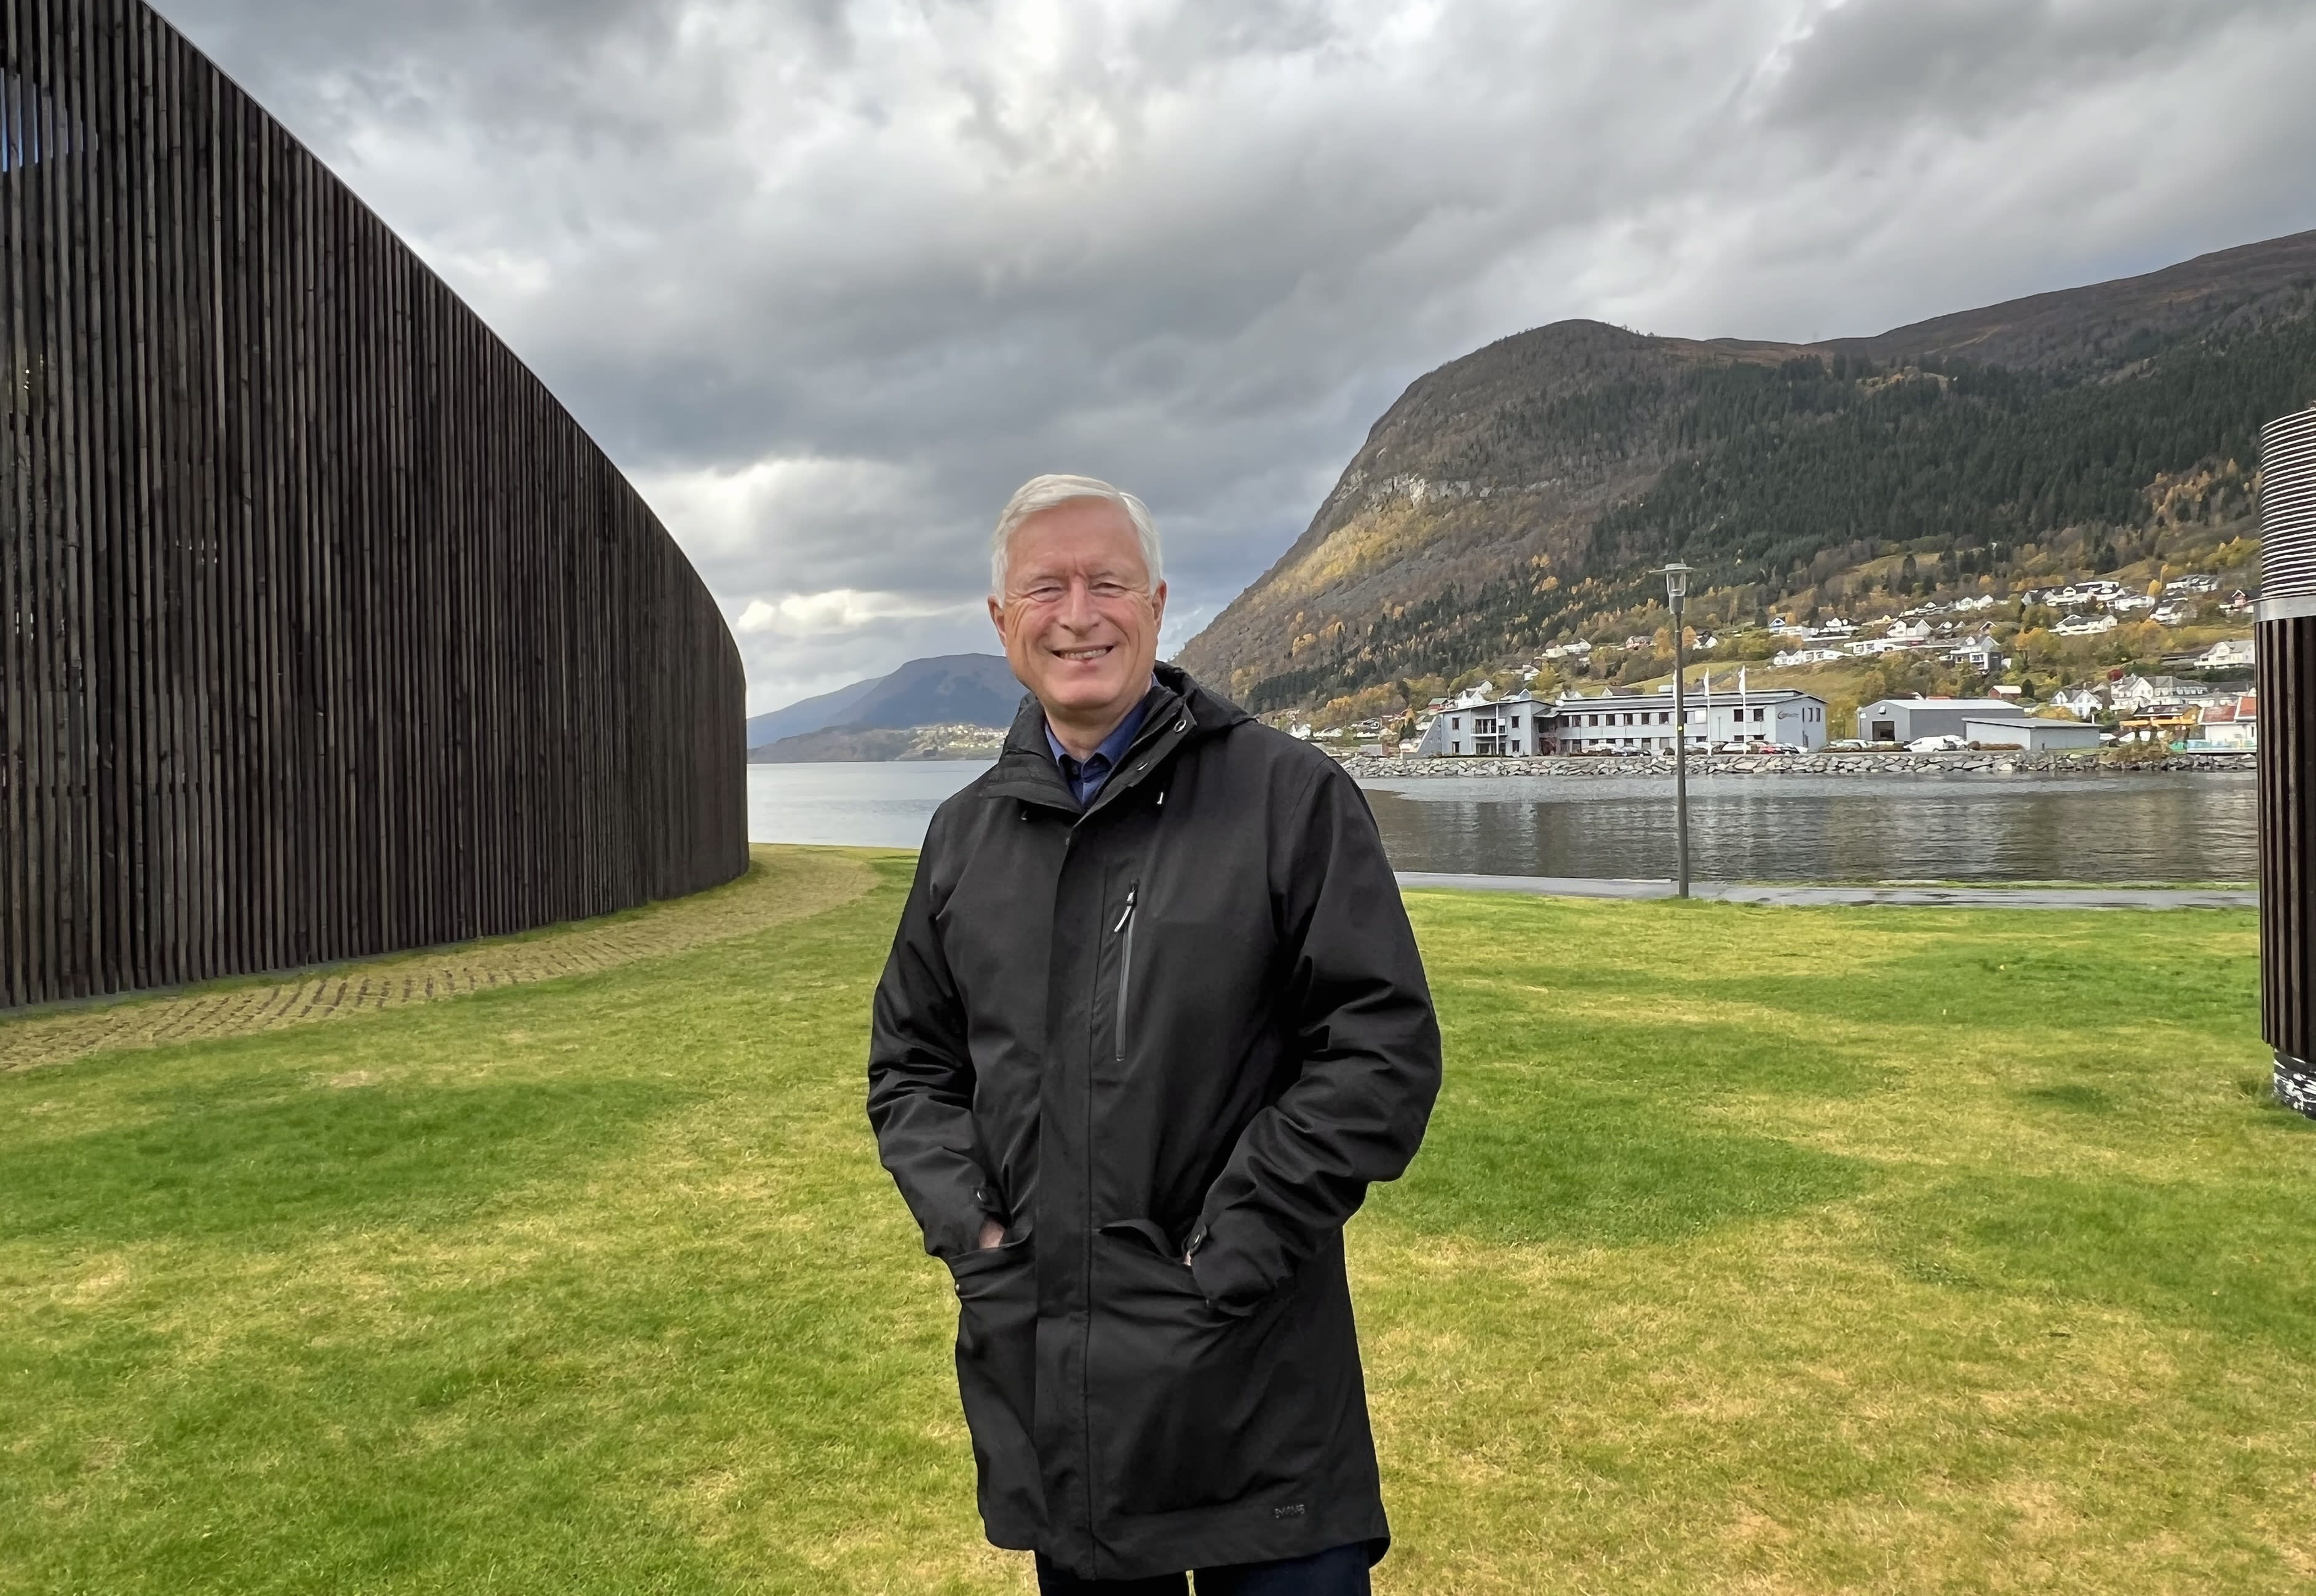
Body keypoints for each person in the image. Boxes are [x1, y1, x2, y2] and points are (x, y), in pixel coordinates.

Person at [867, 474, 1442, 1593]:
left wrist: (1235, 1244)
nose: (1077, 614)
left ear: (1159, 605)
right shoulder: (965, 836)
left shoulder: (1286, 797)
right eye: (1046, 587)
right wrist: (976, 1235)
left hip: (1256, 1388)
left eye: (1108, 583)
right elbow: (911, 1068)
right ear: (1002, 621)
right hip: (1062, 1398)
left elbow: (1379, 1051)